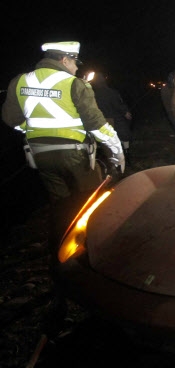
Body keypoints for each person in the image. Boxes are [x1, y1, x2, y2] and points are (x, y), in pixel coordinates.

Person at [1, 41, 125, 252]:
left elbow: (10, 118)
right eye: (75, 62)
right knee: (89, 200)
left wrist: (32, 129)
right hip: (74, 155)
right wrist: (117, 151)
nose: (77, 67)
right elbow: (96, 124)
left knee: (60, 204)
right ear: (64, 59)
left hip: (40, 155)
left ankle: (62, 248)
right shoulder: (74, 84)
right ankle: (93, 247)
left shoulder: (19, 81)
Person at [91, 72, 133, 160]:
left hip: (102, 120)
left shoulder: (93, 94)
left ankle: (116, 156)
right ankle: (126, 153)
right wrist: (125, 112)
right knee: (124, 135)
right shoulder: (111, 92)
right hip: (114, 119)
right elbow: (117, 104)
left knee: (109, 140)